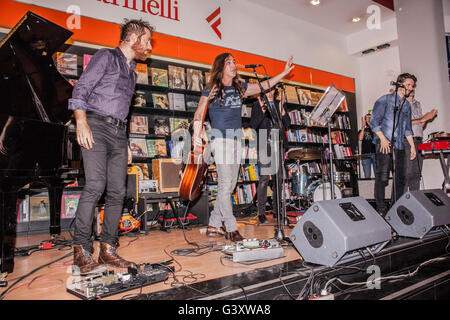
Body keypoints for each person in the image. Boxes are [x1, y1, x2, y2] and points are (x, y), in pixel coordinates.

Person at [68, 19, 153, 275]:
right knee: (95, 185)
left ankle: (107, 249)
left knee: (118, 191)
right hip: (95, 124)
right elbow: (81, 89)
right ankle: (81, 251)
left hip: (118, 132)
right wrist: (81, 122)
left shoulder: (132, 70)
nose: (149, 46)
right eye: (147, 40)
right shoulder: (106, 56)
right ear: (133, 38)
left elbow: (124, 110)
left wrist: (125, 142)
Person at [193, 53, 294, 242]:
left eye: (233, 62)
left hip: (236, 140)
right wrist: (195, 133)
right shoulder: (212, 88)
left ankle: (214, 224)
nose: (233, 65)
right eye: (229, 62)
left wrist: (283, 73)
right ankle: (231, 228)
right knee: (224, 185)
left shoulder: (241, 88)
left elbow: (265, 86)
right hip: (220, 139)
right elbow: (199, 112)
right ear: (221, 67)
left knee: (230, 186)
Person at [370, 73, 417, 216]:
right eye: (408, 84)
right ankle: (381, 208)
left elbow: (408, 128)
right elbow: (373, 122)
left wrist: (413, 146)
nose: (411, 87)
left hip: (400, 145)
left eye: (412, 85)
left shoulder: (407, 105)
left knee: (401, 178)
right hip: (383, 143)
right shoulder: (384, 100)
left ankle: (395, 207)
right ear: (399, 83)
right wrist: (383, 139)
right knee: (382, 176)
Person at [250, 88, 290, 224]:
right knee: (264, 178)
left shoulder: (279, 103)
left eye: (272, 89)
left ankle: (277, 210)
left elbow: (288, 123)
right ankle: (261, 213)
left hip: (278, 144)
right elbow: (254, 125)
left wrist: (282, 110)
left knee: (278, 178)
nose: (270, 92)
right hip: (264, 143)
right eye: (267, 90)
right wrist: (262, 109)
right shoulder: (257, 104)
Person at [404, 89, 438, 191]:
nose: (412, 88)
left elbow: (420, 125)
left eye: (413, 86)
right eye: (410, 86)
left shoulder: (417, 104)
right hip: (407, 141)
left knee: (416, 173)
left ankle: (416, 201)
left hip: (418, 139)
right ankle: (402, 203)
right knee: (407, 173)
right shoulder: (401, 104)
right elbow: (404, 123)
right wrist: (423, 119)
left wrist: (427, 119)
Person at [358, 111, 376, 179]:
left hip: (375, 153)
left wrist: (369, 123)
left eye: (370, 118)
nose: (369, 119)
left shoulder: (376, 129)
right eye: (367, 118)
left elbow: (375, 134)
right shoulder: (362, 130)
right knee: (367, 176)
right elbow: (360, 138)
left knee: (378, 175)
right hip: (365, 154)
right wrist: (363, 127)